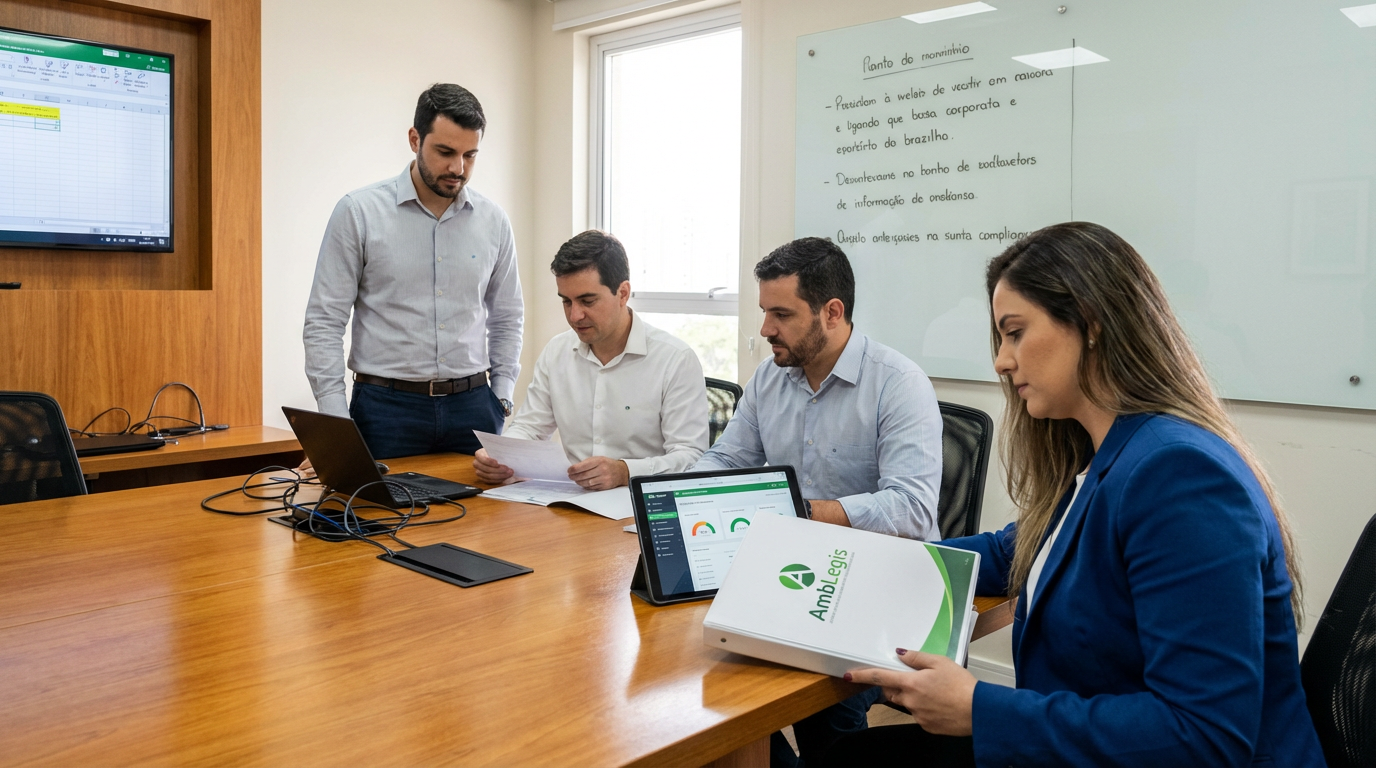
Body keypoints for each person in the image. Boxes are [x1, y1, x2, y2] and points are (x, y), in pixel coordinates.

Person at [828, 222, 1324, 768]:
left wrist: (981, 709)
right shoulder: (1110, 452)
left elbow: (1204, 737)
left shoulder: (1178, 474)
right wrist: (870, 561)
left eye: (1015, 333)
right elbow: (1013, 551)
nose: (1001, 361)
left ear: (1090, 324)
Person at [693, 236, 944, 768]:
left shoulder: (899, 384)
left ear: (832, 312)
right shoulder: (769, 378)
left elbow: (912, 508)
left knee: (823, 709)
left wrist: (800, 515)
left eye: (781, 314)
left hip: (880, 586)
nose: (765, 329)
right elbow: (729, 459)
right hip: (793, 574)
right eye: (764, 312)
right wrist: (681, 497)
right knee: (710, 678)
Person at [302, 83, 522, 459]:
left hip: (474, 408)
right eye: (445, 152)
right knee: (376, 501)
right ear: (414, 139)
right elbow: (324, 321)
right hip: (385, 411)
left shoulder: (494, 221)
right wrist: (336, 422)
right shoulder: (358, 212)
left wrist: (502, 395)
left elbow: (507, 316)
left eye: (470, 155)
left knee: (483, 502)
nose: (458, 168)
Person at [473, 230, 708, 490]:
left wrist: (625, 471)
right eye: (566, 302)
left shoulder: (675, 360)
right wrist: (501, 457)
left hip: (639, 502)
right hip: (570, 498)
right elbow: (530, 427)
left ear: (623, 293)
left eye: (587, 301)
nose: (575, 316)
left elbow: (691, 457)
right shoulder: (557, 351)